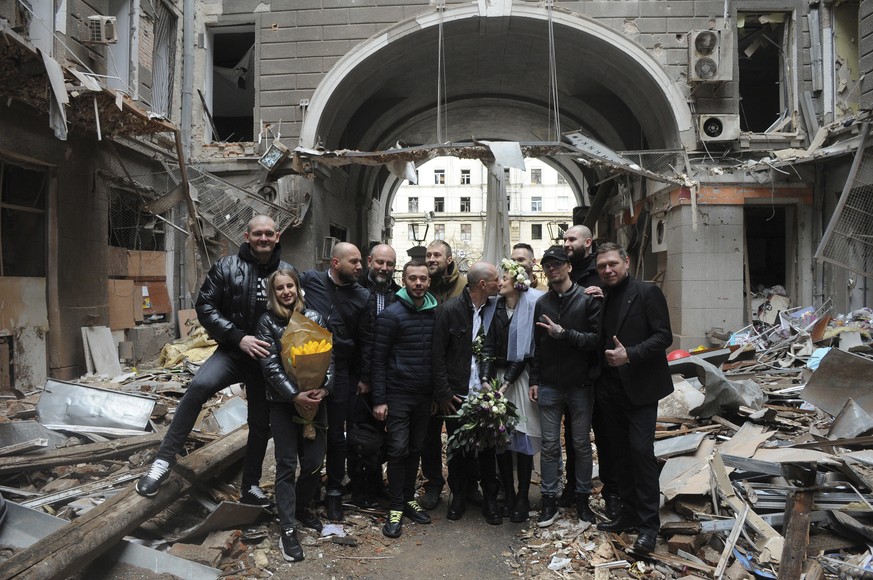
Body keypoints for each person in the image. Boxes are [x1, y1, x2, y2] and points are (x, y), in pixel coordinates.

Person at [136, 215, 291, 505]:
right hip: (233, 352)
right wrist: (238, 337)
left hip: (266, 361)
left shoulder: (287, 271)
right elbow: (205, 306)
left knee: (260, 423)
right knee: (197, 389)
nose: (263, 239)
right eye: (258, 233)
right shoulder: (226, 267)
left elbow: (296, 312)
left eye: (269, 234)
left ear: (277, 236)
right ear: (247, 236)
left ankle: (251, 485)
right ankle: (162, 464)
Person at [594, 242, 673, 554]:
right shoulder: (604, 296)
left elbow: (663, 336)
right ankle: (627, 514)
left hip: (640, 388)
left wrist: (631, 355)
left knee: (641, 452)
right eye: (602, 266)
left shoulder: (646, 292)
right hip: (610, 390)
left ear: (625, 262)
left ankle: (648, 527)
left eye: (612, 264)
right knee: (619, 454)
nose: (608, 270)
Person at [256, 269, 333, 562]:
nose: (286, 291)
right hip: (283, 404)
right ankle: (288, 527)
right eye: (280, 288)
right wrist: (293, 394)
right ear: (272, 292)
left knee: (314, 463)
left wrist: (324, 389)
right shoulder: (266, 322)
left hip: (316, 401)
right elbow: (271, 365)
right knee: (286, 465)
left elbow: (330, 358)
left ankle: (302, 508)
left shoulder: (315, 317)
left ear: (298, 288)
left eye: (290, 286)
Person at [529, 246, 600, 528]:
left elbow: (596, 341)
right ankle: (549, 500)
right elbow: (538, 345)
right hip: (549, 384)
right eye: (547, 265)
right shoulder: (543, 303)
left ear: (569, 267)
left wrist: (564, 334)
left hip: (580, 385)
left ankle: (582, 499)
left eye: (557, 264)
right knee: (548, 446)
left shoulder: (586, 299)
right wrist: (535, 379)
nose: (552, 269)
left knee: (581, 445)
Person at [300, 242, 371, 521]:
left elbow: (367, 339)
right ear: (335, 263)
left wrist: (364, 377)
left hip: (341, 372)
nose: (359, 266)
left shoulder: (362, 296)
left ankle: (334, 491)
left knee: (336, 435)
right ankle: (309, 487)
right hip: (308, 368)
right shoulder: (310, 280)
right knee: (309, 429)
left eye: (360, 261)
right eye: (353, 261)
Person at [371, 260, 440, 538]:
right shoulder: (391, 314)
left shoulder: (436, 313)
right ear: (405, 279)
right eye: (413, 278)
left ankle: (409, 498)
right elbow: (378, 359)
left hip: (424, 397)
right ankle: (396, 507)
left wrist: (436, 394)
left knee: (415, 448)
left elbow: (438, 358)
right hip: (398, 394)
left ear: (429, 282)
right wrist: (379, 399)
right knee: (398, 449)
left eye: (423, 279)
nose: (418, 283)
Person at [432, 261, 501, 524]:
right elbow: (437, 355)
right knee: (457, 447)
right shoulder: (449, 310)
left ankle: (490, 499)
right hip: (457, 393)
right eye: (496, 279)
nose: (500, 282)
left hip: (485, 391)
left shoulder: (495, 309)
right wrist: (444, 393)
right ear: (483, 284)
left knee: (487, 449)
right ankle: (458, 495)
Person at [561, 225, 620, 518]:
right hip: (576, 373)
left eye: (571, 239)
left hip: (605, 372)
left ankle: (612, 493)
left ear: (588, 241)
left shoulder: (603, 277)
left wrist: (605, 293)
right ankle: (573, 487)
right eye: (564, 239)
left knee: (607, 436)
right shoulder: (568, 274)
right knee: (575, 436)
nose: (566, 243)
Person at [481, 258, 544, 523]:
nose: (499, 283)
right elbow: (485, 345)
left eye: (504, 279)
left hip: (519, 378)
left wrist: (506, 382)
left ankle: (521, 496)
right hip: (496, 376)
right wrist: (486, 378)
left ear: (517, 284)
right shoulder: (493, 308)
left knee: (523, 437)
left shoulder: (530, 308)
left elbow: (526, 351)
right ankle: (507, 493)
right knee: (501, 439)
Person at [419, 240, 469, 510]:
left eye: (437, 255)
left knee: (458, 437)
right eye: (428, 255)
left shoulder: (463, 288)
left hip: (455, 379)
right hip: (427, 377)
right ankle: (433, 484)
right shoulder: (422, 285)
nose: (431, 259)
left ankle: (461, 488)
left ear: (449, 259)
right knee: (428, 437)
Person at [352, 243, 399, 507]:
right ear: (370, 261)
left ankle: (377, 485)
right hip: (360, 376)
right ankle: (359, 489)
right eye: (380, 262)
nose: (384, 268)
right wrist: (363, 376)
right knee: (361, 437)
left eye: (389, 264)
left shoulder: (397, 294)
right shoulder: (357, 289)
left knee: (383, 436)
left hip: (388, 377)